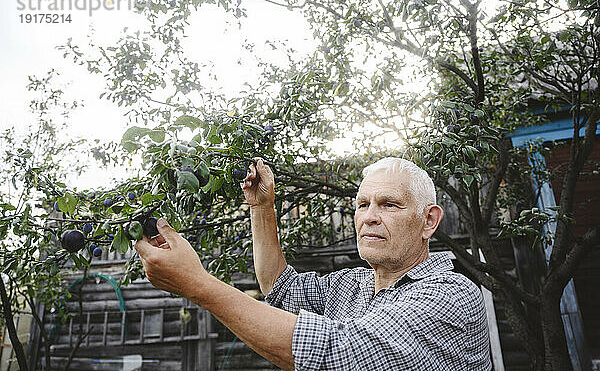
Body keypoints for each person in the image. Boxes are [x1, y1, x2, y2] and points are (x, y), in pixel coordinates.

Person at [134, 157, 492, 370]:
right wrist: (262, 208)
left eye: (388, 205)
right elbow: (280, 286)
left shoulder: (451, 295)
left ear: (429, 221)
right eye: (362, 204)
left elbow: (338, 354)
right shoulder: (354, 284)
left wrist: (198, 285)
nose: (368, 217)